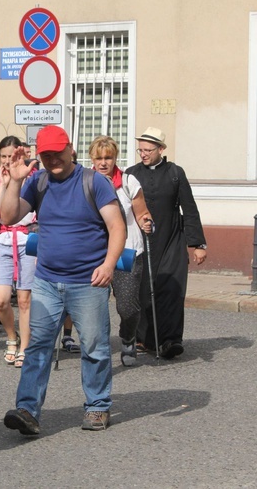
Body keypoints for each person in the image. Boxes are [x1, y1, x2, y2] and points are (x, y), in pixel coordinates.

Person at [1, 125, 125, 435]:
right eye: (46, 154)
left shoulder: (93, 182)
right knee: (37, 348)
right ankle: (27, 410)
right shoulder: (38, 182)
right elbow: (7, 217)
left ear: (71, 149)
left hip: (88, 281)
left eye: (58, 152)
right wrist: (15, 182)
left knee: (95, 347)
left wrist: (109, 265)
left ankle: (97, 406)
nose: (53, 159)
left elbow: (117, 227)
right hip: (46, 280)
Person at [126, 127, 207, 359]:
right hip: (142, 241)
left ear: (161, 149)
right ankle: (145, 339)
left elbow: (189, 209)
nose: (143, 154)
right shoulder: (131, 174)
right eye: (140, 150)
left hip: (172, 240)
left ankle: (171, 340)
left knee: (172, 289)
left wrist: (198, 245)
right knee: (142, 291)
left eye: (148, 150)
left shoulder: (175, 173)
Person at [90, 135, 154, 365]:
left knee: (127, 306)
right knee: (94, 307)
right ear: (92, 159)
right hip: (95, 254)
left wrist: (147, 222)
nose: (104, 162)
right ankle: (99, 349)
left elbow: (142, 213)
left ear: (115, 158)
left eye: (108, 157)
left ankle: (127, 338)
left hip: (127, 252)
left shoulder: (128, 182)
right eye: (99, 158)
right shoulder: (85, 182)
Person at [0, 135, 36, 367]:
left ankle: (25, 346)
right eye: (4, 156)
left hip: (28, 239)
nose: (7, 161)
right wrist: (4, 185)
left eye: (11, 156)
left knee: (25, 299)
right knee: (1, 300)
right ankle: (11, 336)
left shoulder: (33, 178)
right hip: (3, 240)